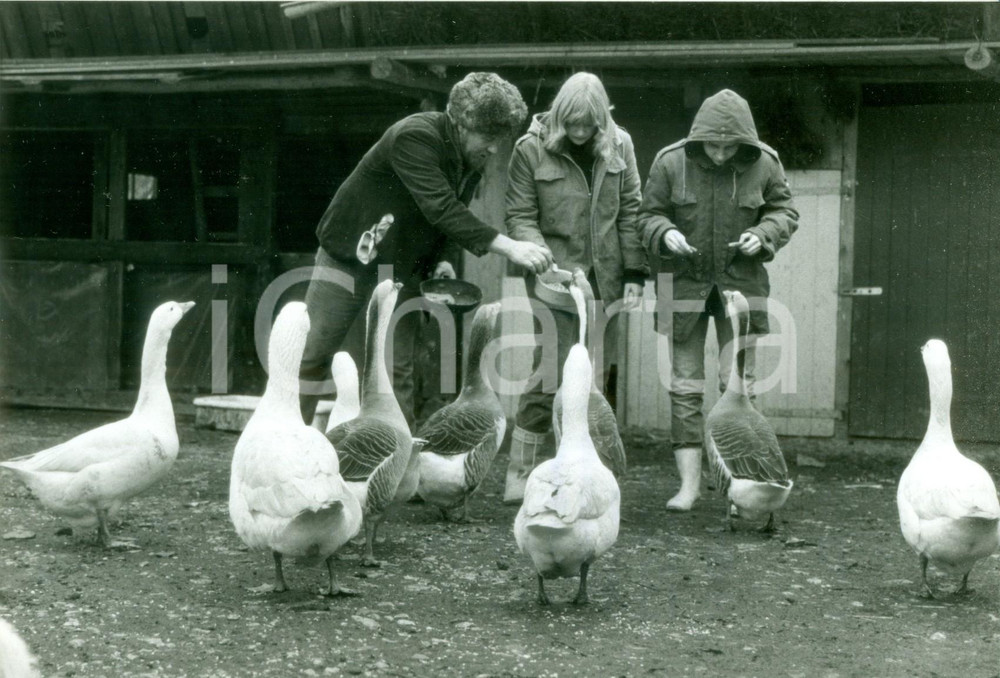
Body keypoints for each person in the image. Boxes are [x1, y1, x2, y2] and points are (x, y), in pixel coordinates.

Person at [298, 72, 553, 427]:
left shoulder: (470, 159)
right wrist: (509, 246)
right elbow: (441, 207)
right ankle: (285, 449)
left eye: (501, 138)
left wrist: (444, 261)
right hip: (348, 255)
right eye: (489, 137)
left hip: (402, 269)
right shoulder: (415, 136)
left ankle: (399, 473)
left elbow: (448, 220)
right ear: (462, 123)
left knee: (396, 371)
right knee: (312, 356)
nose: (494, 148)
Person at [638, 88, 798, 511]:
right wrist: (663, 232)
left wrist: (762, 235)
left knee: (739, 387)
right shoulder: (670, 162)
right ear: (698, 138)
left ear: (744, 141)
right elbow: (646, 215)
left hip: (741, 285)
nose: (723, 153)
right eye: (714, 145)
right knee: (685, 386)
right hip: (682, 283)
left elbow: (785, 213)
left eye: (731, 146)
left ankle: (740, 487)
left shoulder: (766, 162)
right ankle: (689, 487)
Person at [502, 71, 647, 504]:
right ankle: (520, 473)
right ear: (561, 117)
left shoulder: (620, 145)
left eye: (590, 125)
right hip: (553, 281)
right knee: (547, 375)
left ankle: (589, 475)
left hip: (605, 280)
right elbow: (520, 214)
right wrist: (541, 255)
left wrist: (636, 273)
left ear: (602, 119)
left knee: (595, 383)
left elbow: (630, 212)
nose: (581, 133)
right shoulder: (529, 149)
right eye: (574, 124)